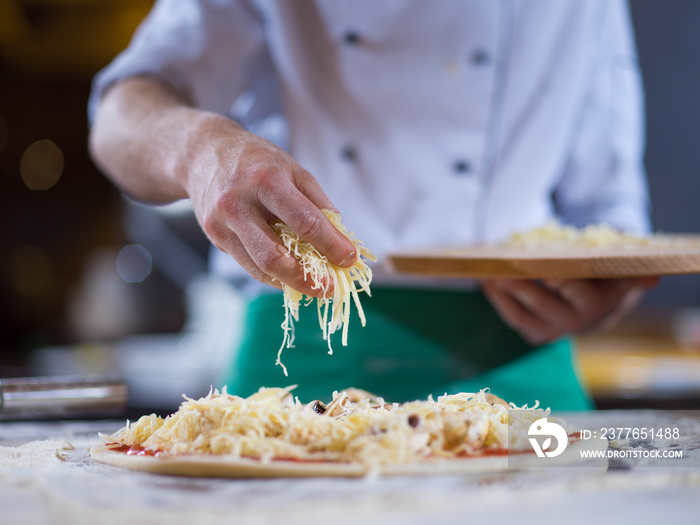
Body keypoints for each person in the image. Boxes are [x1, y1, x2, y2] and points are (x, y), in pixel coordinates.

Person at [88, 0, 657, 410]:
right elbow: (118, 120)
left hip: (520, 358)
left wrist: (602, 296)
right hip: (300, 358)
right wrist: (196, 148)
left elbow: (610, 212)